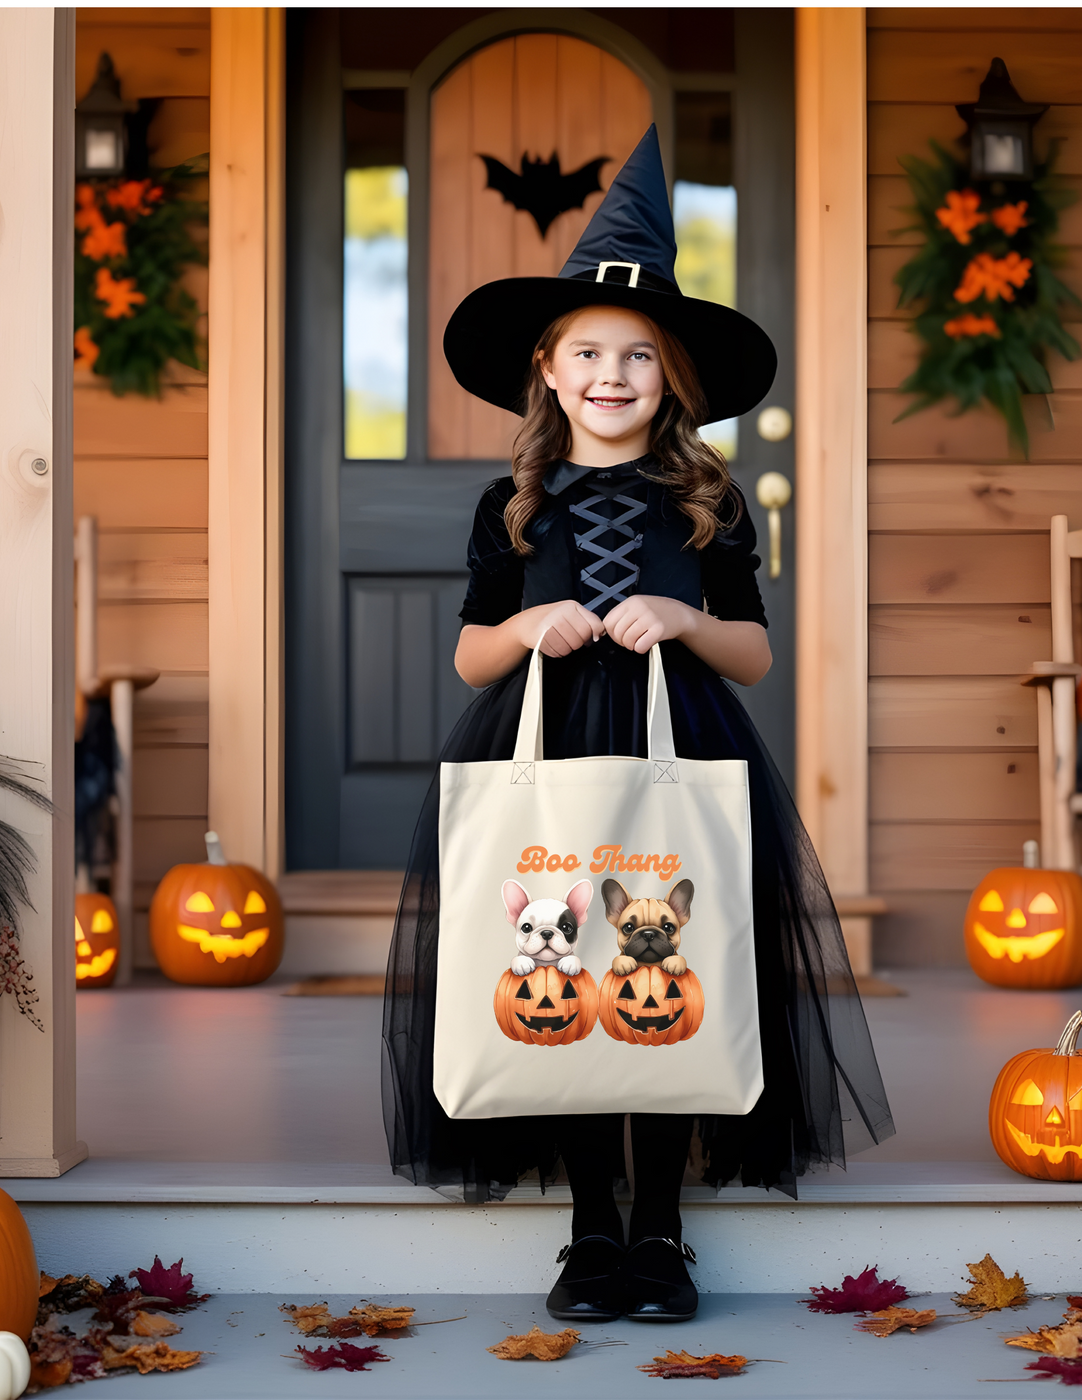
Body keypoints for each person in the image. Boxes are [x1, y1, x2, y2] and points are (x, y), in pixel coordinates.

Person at [383, 126, 893, 1324]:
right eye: (587, 352)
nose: (612, 374)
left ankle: (659, 1224)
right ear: (547, 370)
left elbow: (754, 652)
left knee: (666, 976)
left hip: (683, 753)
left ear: (671, 380)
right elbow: (467, 649)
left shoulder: (704, 500)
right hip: (548, 750)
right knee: (556, 972)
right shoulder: (507, 507)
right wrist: (528, 628)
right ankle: (586, 1229)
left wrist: (678, 613)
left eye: (639, 357)